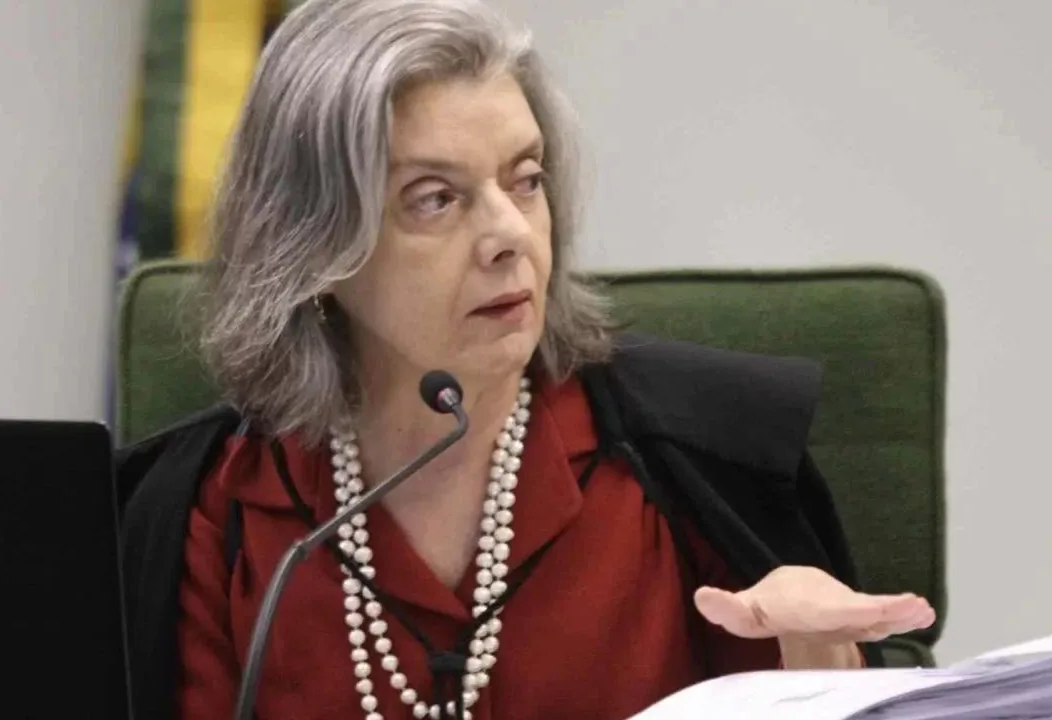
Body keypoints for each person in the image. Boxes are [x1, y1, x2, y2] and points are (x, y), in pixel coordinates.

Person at [116, 1, 936, 719]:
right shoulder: (219, 512)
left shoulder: (692, 470)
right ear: (316, 246)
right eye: (435, 198)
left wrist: (817, 666)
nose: (510, 234)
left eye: (527, 180)